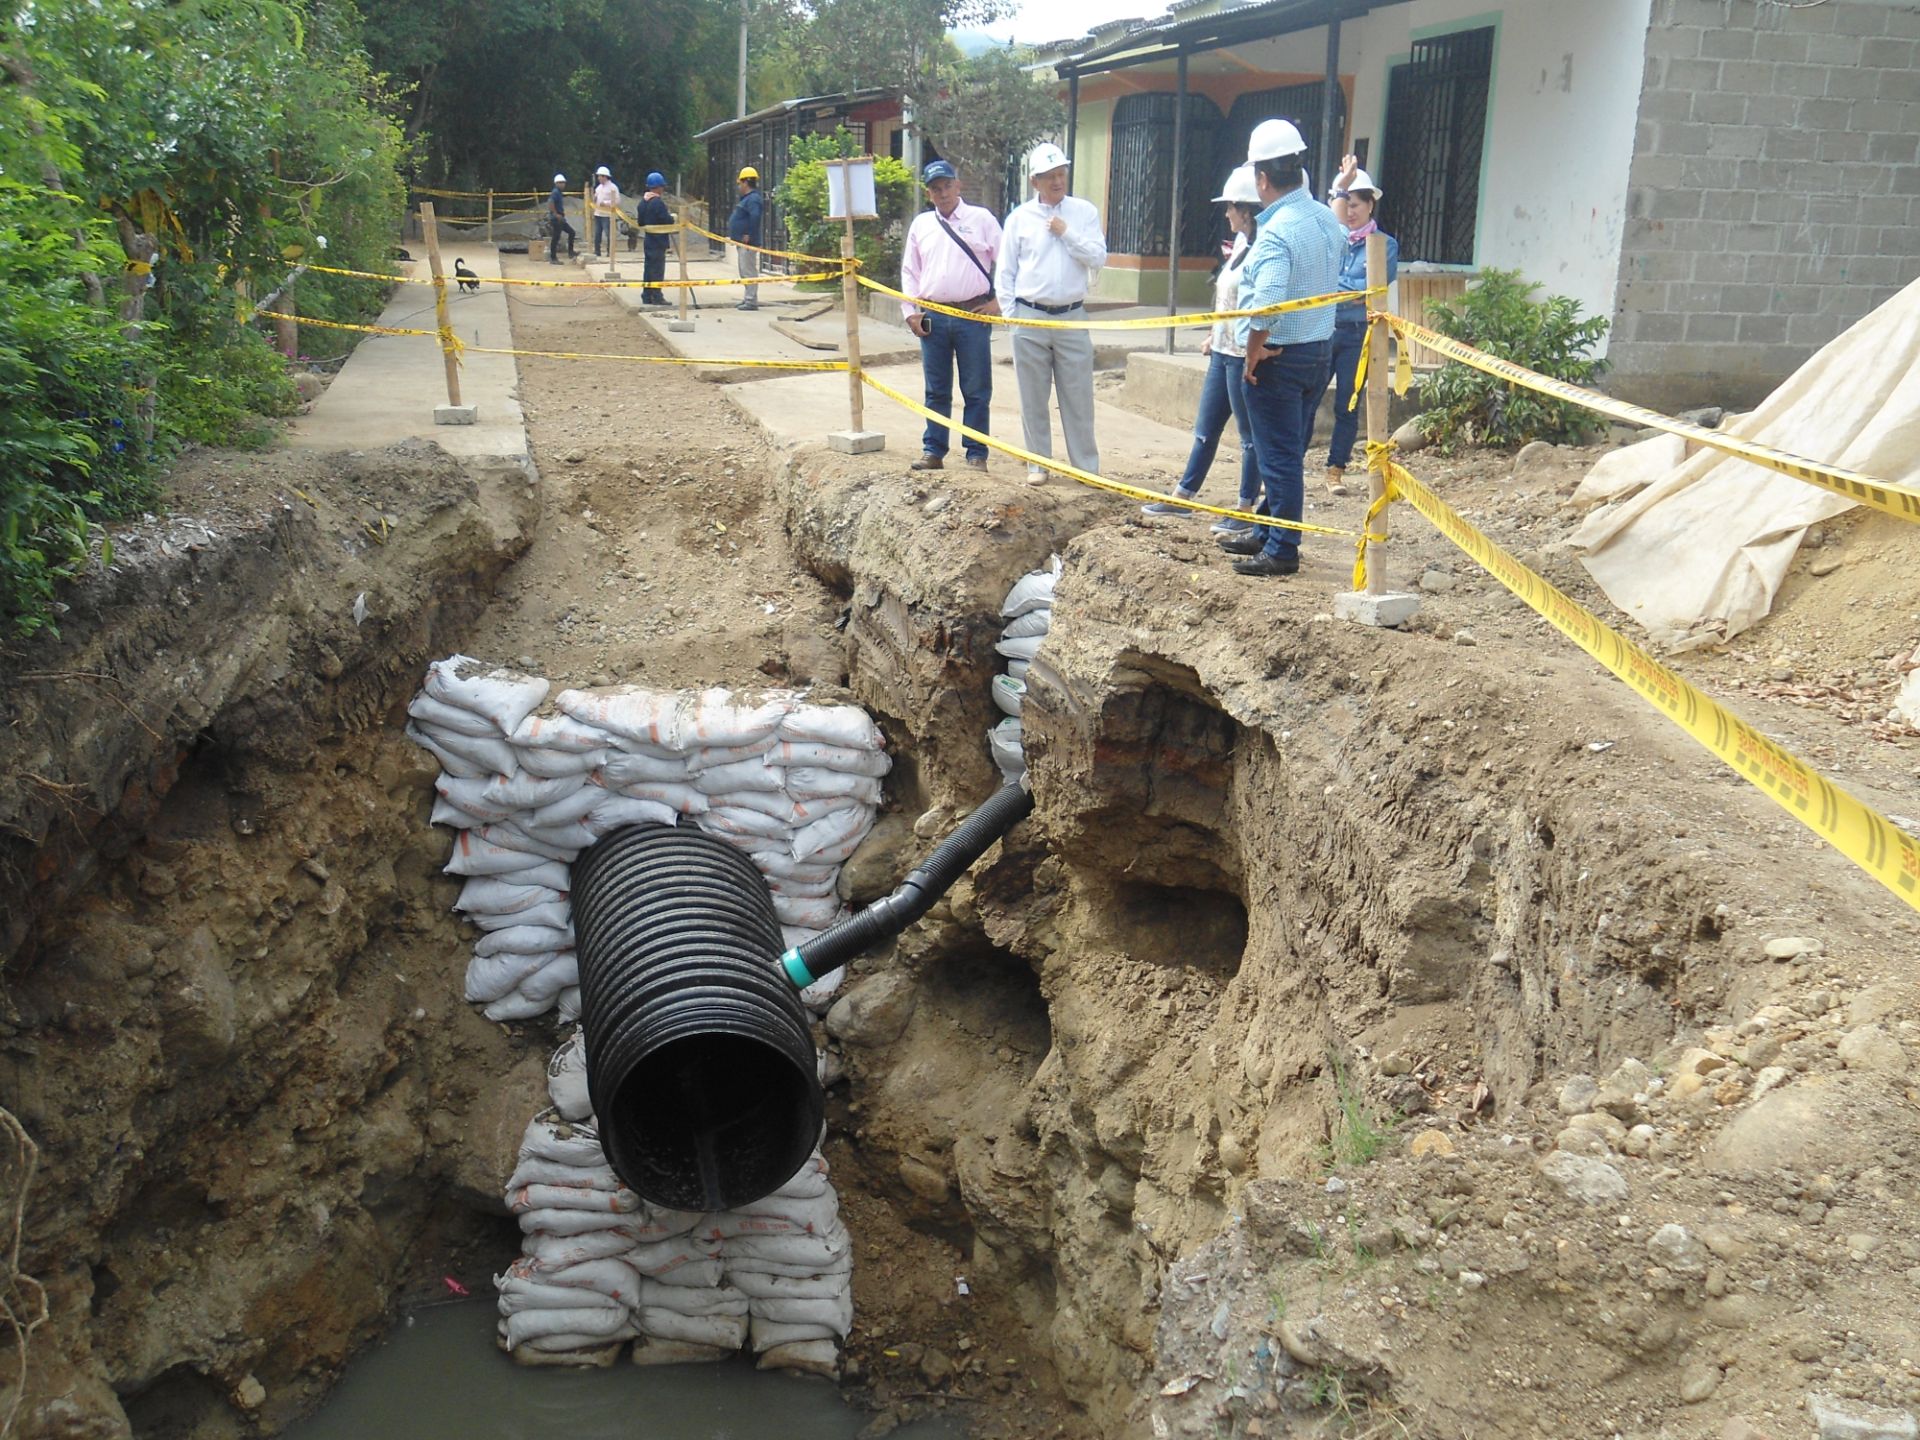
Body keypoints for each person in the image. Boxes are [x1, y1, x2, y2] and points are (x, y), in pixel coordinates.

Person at [1216, 118, 1345, 578]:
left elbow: (1268, 302)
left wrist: (1253, 347)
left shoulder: (1277, 231)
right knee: (1288, 447)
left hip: (1280, 357)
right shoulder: (1326, 218)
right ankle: (1268, 530)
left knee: (1279, 455)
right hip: (1318, 350)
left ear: (1262, 179)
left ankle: (1283, 549)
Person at [1142, 164, 1263, 528]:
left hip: (1243, 353)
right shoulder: (1240, 244)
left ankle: (1245, 508)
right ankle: (1183, 495)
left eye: (1230, 207)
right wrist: (1214, 332)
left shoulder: (1264, 247)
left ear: (1246, 209)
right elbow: (1227, 296)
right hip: (1223, 352)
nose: (1226, 214)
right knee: (1206, 429)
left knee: (1249, 437)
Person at [993, 140, 1107, 478]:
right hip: (1029, 316)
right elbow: (1006, 272)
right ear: (1035, 182)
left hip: (1072, 316)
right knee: (1033, 397)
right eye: (1049, 176)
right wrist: (1012, 317)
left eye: (1061, 174)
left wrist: (1067, 233)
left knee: (1079, 397)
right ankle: (1038, 464)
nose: (1057, 181)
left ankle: (1086, 468)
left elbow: (1098, 257)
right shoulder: (1019, 219)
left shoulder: (1083, 212)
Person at [899, 159, 1003, 472]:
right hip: (933, 314)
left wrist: (998, 302)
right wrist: (910, 312)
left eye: (947, 186)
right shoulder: (921, 225)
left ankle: (976, 453)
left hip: (973, 314)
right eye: (935, 189)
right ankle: (933, 450)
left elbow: (1008, 262)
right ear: (928, 193)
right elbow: (910, 270)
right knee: (936, 389)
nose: (942, 193)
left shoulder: (981, 219)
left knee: (976, 389)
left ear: (958, 186)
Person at [1321, 157, 1399, 495]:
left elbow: (1369, 290)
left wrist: (1338, 290)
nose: (1350, 212)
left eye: (1355, 204)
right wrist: (1345, 291)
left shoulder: (1384, 245)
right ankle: (1287, 467)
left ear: (1370, 205)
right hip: (1322, 328)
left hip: (1358, 336)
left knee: (1347, 405)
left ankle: (1335, 470)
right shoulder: (1330, 239)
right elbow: (1326, 282)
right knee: (1306, 400)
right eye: (1345, 204)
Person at [728, 166, 765, 311]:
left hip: (748, 243)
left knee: (748, 271)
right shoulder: (748, 199)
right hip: (743, 242)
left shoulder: (753, 199)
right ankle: (748, 298)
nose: (739, 187)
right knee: (744, 271)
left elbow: (755, 217)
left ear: (745, 183)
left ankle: (751, 301)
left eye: (740, 183)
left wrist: (749, 234)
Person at [636, 172, 673, 306]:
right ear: (658, 187)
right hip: (658, 241)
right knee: (657, 270)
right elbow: (666, 220)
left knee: (648, 268)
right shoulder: (658, 203)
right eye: (662, 186)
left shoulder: (642, 203)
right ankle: (657, 296)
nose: (663, 189)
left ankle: (647, 295)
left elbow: (640, 222)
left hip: (648, 240)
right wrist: (672, 218)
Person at [590, 165, 621, 258]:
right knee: (597, 234)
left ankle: (610, 251)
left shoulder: (613, 187)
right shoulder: (598, 188)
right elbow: (595, 198)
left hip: (607, 215)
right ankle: (597, 251)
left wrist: (606, 203)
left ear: (605, 176)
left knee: (609, 234)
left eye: (600, 176)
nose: (598, 178)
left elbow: (617, 201)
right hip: (598, 214)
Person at [546, 173, 576, 265]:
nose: (563, 185)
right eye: (561, 183)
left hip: (560, 218)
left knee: (571, 232)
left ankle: (571, 252)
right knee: (556, 238)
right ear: (556, 183)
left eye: (564, 183)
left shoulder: (558, 193)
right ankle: (553, 258)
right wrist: (556, 214)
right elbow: (550, 203)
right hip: (556, 219)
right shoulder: (555, 192)